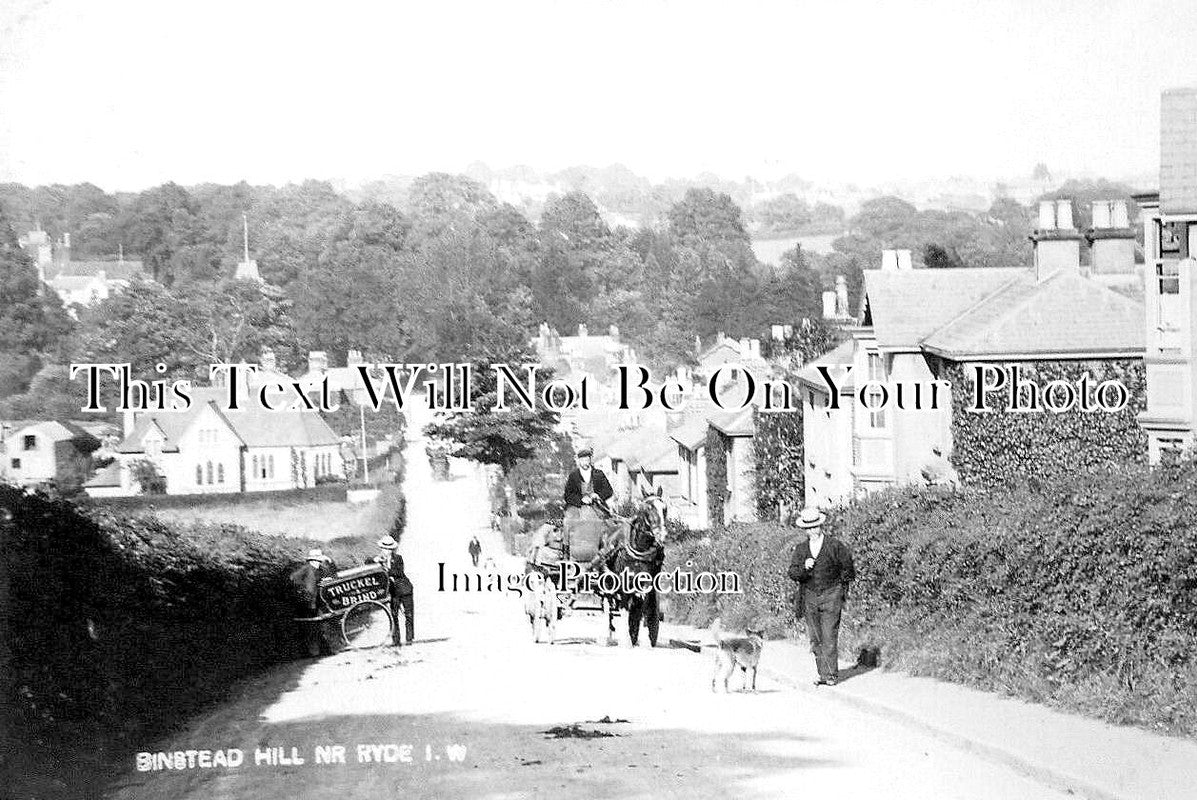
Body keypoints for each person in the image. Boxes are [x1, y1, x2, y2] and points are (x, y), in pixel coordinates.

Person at [787, 508, 855, 686]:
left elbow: (848, 569)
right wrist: (804, 567)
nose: (811, 531)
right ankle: (822, 673)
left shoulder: (835, 546)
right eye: (808, 528)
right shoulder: (801, 549)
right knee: (815, 637)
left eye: (814, 527)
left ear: (820, 526)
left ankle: (831, 675)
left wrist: (839, 588)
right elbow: (793, 573)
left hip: (831, 594)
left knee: (829, 635)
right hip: (809, 597)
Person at [376, 535, 415, 646]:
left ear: (392, 549)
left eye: (388, 549)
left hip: (405, 589)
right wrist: (378, 563)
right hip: (393, 592)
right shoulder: (379, 559)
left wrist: (385, 568)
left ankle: (409, 638)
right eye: (384, 548)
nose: (386, 551)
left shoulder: (398, 558)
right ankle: (396, 639)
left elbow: (399, 572)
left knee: (409, 614)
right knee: (394, 615)